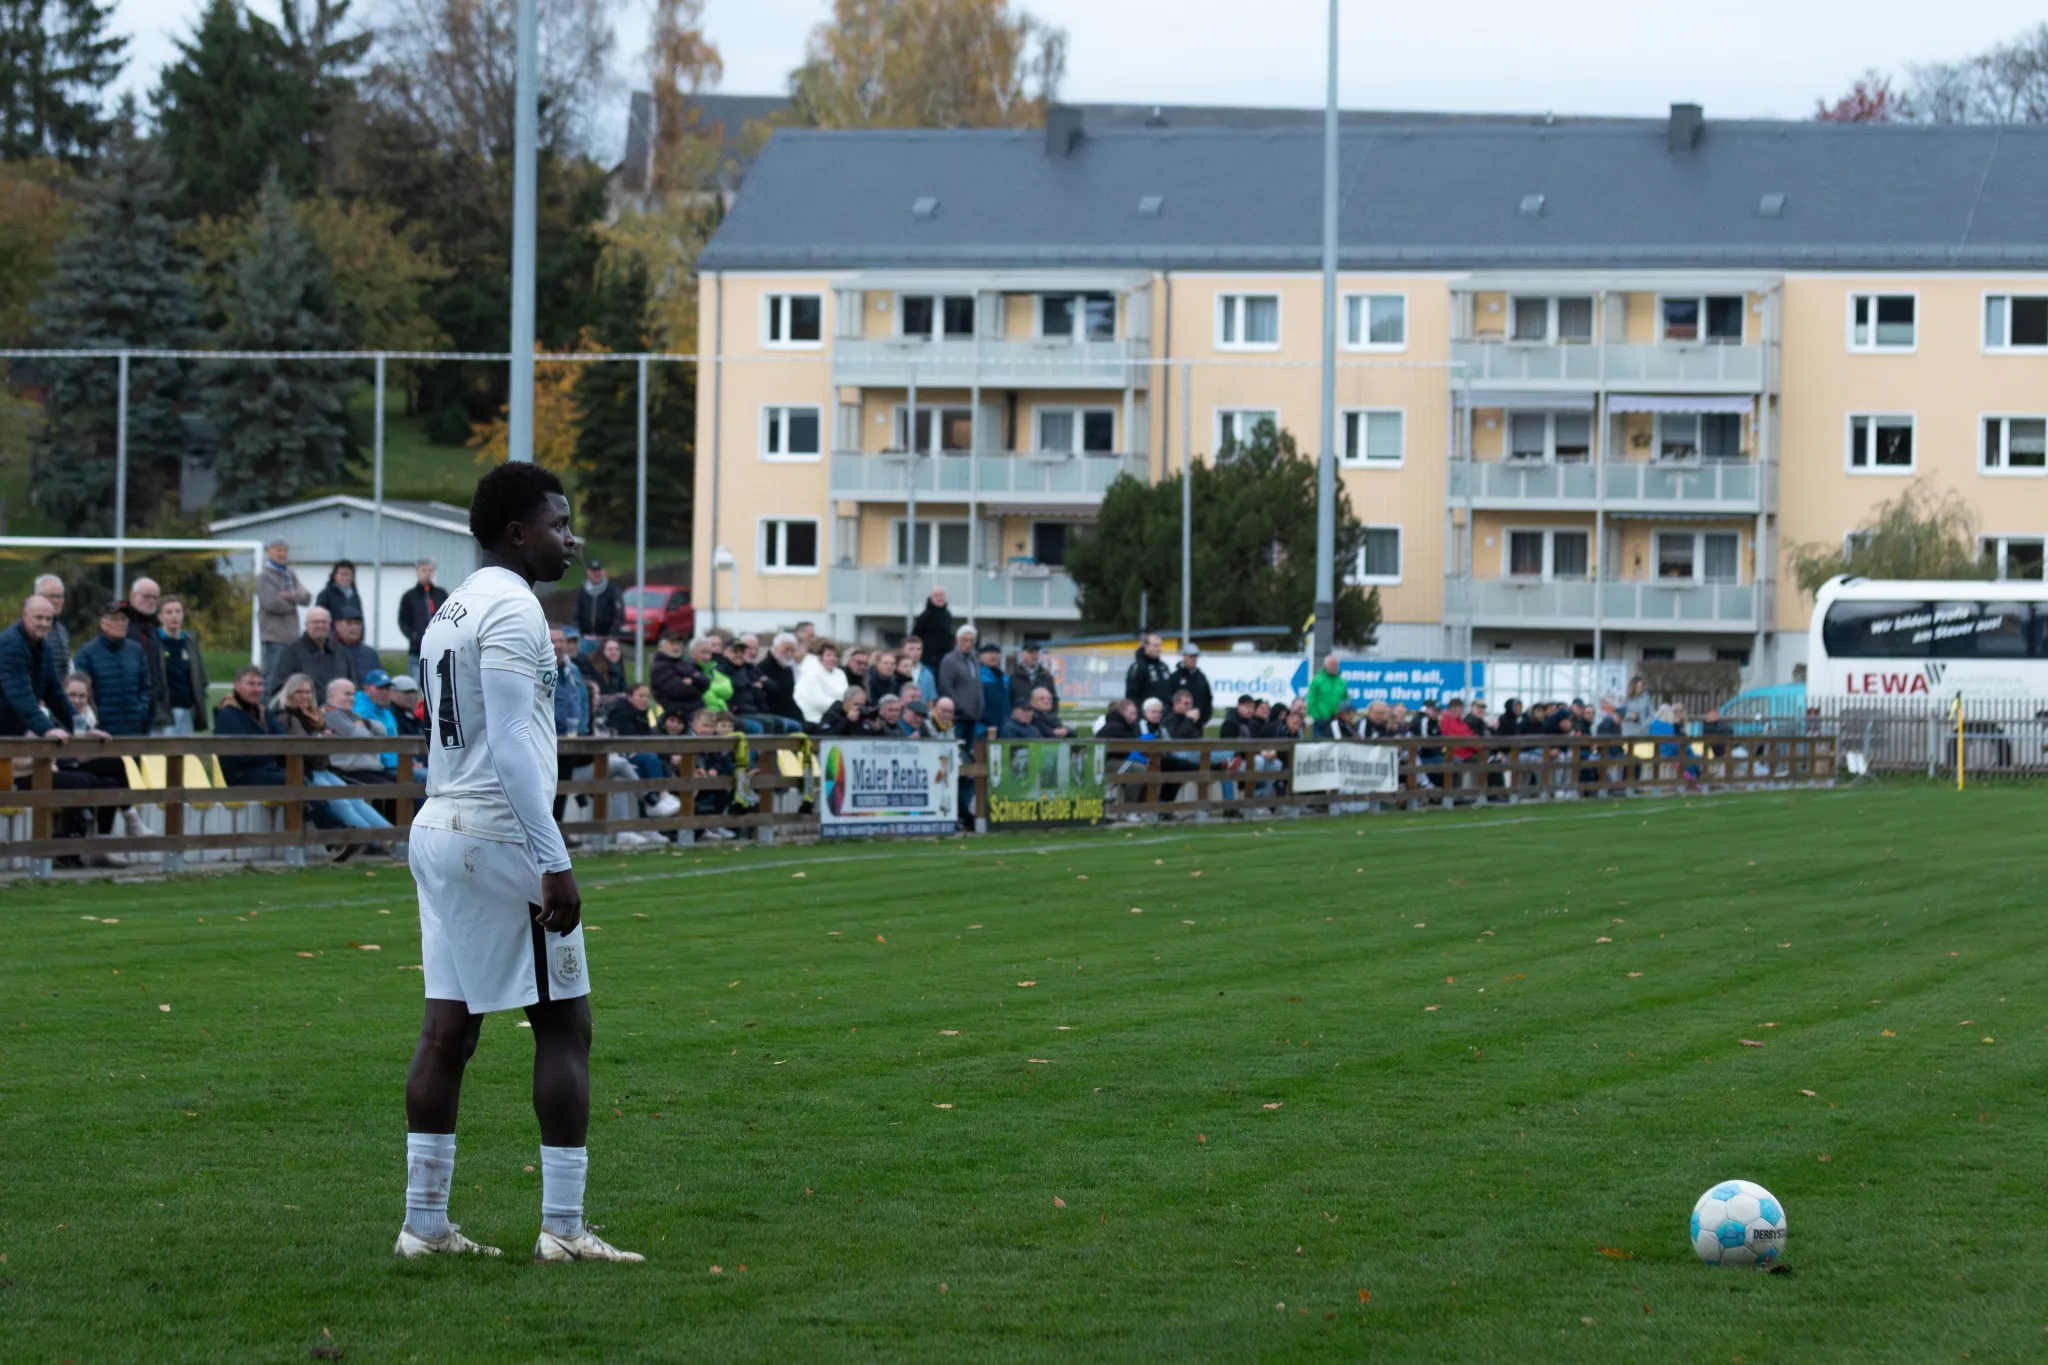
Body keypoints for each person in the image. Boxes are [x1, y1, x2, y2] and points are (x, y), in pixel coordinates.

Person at [400, 461, 640, 1264]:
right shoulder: (514, 606)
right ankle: (563, 1229)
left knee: (448, 1029)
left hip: (439, 821)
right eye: (558, 523)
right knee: (565, 1022)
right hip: (497, 831)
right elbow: (507, 743)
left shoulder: (450, 607)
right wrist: (554, 858)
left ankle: (424, 1224)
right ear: (516, 532)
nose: (570, 538)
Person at [275, 673, 393, 846]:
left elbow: (382, 732)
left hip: (323, 768)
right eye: (299, 692)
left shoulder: (314, 716)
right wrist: (322, 739)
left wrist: (322, 740)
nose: (305, 696)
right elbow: (306, 748)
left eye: (308, 692)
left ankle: (392, 836)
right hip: (305, 771)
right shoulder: (288, 717)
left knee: (356, 800)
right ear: (290, 693)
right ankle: (376, 841)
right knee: (343, 803)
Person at [72, 602, 152, 738]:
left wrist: (142, 711)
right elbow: (82, 691)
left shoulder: (136, 650)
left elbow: (146, 687)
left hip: (133, 729)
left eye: (124, 619)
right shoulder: (86, 653)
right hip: (100, 732)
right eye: (116, 619)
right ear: (103, 623)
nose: (122, 623)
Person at [256, 540, 313, 680]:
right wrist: (294, 602)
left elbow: (306, 598)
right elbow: (271, 603)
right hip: (274, 637)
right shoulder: (264, 577)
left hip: (292, 637)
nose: (282, 554)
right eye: (278, 550)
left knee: (291, 678)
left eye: (285, 551)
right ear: (269, 552)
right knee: (272, 677)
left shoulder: (290, 575)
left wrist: (290, 595)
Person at [155, 595, 210, 735]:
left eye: (178, 611)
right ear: (160, 617)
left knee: (186, 748)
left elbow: (201, 676)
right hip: (163, 712)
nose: (174, 616)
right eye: (169, 612)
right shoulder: (153, 642)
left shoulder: (190, 642)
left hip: (187, 710)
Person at [121, 577, 170, 732]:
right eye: (147, 596)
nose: (151, 601)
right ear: (132, 596)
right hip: (128, 705)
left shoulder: (151, 629)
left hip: (151, 705)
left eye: (155, 597)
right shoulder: (121, 624)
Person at [272, 606, 342, 700]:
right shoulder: (293, 652)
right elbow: (279, 687)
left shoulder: (337, 651)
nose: (320, 626)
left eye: (324, 622)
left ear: (330, 625)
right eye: (316, 622)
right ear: (307, 625)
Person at [398, 560, 449, 682]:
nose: (427, 574)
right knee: (415, 682)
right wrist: (414, 636)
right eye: (424, 570)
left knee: (438, 683)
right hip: (417, 651)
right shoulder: (409, 596)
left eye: (430, 570)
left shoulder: (441, 594)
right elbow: (403, 621)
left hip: (439, 650)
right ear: (417, 572)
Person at [353, 669, 403, 781]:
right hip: (380, 768)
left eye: (388, 687)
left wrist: (409, 761)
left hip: (397, 764)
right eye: (380, 688)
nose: (385, 692)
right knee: (426, 780)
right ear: (366, 689)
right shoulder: (361, 711)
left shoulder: (386, 711)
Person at [649, 632, 708, 721]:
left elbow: (705, 682)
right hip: (677, 717)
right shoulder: (660, 667)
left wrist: (691, 680)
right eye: (672, 644)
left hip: (697, 713)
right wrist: (694, 683)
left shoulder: (684, 664)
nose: (676, 647)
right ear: (661, 647)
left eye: (679, 644)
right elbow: (677, 689)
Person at [939, 626, 984, 735]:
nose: (968, 643)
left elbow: (977, 686)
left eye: (971, 640)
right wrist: (960, 708)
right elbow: (946, 687)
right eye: (965, 640)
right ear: (957, 640)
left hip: (973, 717)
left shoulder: (974, 661)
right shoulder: (950, 660)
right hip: (958, 717)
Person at [756, 633, 805, 729]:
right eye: (786, 650)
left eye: (792, 650)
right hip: (771, 713)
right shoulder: (763, 668)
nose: (789, 654)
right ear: (775, 649)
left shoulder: (787, 667)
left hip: (788, 711)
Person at [572, 559, 622, 649]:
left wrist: (611, 635)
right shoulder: (583, 591)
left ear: (603, 572)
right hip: (585, 640)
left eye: (599, 571)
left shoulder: (612, 590)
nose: (596, 574)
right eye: (593, 571)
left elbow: (619, 614)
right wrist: (579, 632)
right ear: (588, 572)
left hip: (605, 640)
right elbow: (576, 614)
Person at [794, 643, 848, 725]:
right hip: (815, 718)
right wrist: (842, 706)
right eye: (828, 655)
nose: (832, 658)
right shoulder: (811, 674)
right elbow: (818, 701)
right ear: (820, 657)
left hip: (839, 714)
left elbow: (846, 694)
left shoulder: (840, 673)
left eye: (835, 655)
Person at [31, 573, 71, 677]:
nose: (56, 601)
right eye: (51, 596)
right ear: (37, 597)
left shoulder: (62, 631)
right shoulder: (30, 629)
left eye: (59, 596)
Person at [911, 588, 956, 675]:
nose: (940, 598)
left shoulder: (948, 616)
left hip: (945, 660)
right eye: (937, 596)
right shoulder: (925, 616)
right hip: (928, 660)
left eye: (942, 595)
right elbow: (915, 636)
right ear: (931, 598)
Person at [1123, 634, 1172, 712]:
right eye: (1155, 646)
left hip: (1164, 713)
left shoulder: (1163, 666)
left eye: (1160, 645)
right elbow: (1132, 695)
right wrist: (1139, 713)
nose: (1159, 649)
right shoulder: (1138, 667)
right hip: (1146, 713)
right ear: (1147, 646)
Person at [1167, 646, 1212, 728]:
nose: (1193, 659)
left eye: (1195, 657)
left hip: (1197, 722)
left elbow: (1208, 698)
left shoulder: (1201, 677)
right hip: (1178, 723)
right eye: (1191, 656)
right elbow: (1169, 698)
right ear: (1184, 657)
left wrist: (1204, 717)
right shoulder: (1175, 677)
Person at [332, 610, 381, 685]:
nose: (354, 627)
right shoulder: (330, 652)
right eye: (349, 623)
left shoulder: (370, 654)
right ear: (337, 625)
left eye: (357, 623)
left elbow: (380, 681)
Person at [1008, 641, 1057, 713]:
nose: (1034, 656)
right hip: (1022, 718)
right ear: (1023, 654)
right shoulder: (1014, 677)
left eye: (1036, 652)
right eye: (1031, 652)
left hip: (1043, 718)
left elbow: (1054, 701)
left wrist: (1052, 717)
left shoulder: (1046, 676)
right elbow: (1009, 701)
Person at [1305, 654, 1347, 739]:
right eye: (1332, 664)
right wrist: (1316, 715)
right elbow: (1311, 699)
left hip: (1337, 719)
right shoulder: (1317, 680)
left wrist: (1342, 715)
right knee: (1319, 742)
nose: (1334, 667)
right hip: (1320, 719)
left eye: (1336, 665)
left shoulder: (1341, 681)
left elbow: (1345, 699)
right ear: (1326, 665)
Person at [586, 637, 630, 704]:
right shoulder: (594, 670)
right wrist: (618, 697)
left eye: (617, 649)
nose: (614, 652)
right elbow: (595, 697)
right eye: (610, 649)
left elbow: (626, 691)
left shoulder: (619, 669)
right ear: (602, 652)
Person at [895, 634, 937, 703]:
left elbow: (930, 700)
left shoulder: (927, 673)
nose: (916, 652)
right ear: (902, 650)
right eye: (911, 649)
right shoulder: (895, 670)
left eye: (919, 649)